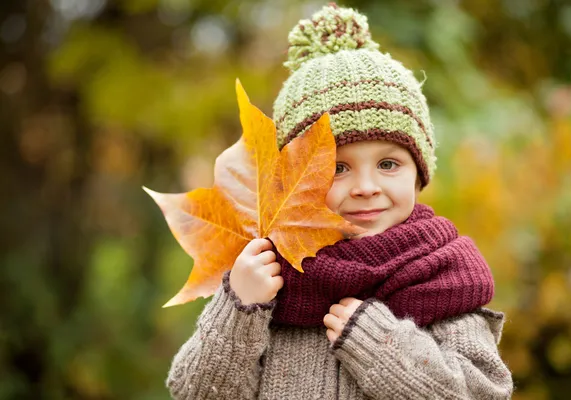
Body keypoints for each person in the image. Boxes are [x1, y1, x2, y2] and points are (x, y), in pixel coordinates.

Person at [166, 4, 513, 399]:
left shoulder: (439, 275)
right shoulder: (268, 275)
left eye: (388, 163)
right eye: (338, 168)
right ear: (296, 181)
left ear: (418, 174)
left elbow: (484, 394)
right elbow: (196, 392)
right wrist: (239, 309)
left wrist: (382, 345)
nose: (366, 186)